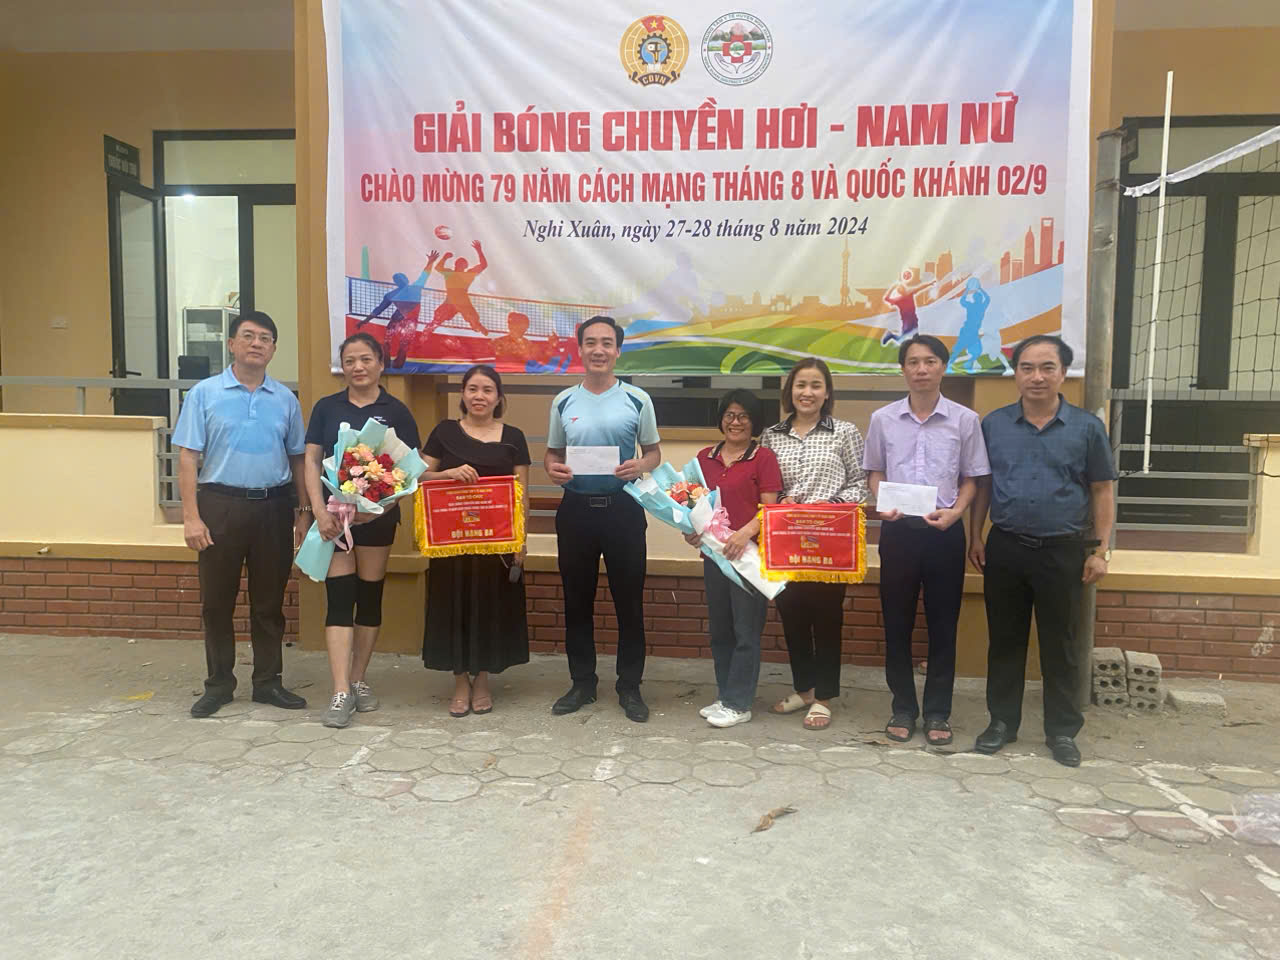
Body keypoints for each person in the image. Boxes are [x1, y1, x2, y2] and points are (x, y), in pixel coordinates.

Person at [968, 334, 1116, 767]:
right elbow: (983, 486)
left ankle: (1062, 731)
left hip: (1065, 551)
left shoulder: (1087, 428)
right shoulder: (994, 425)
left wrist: (1101, 551)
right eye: (1027, 368)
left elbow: (1102, 490)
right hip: (1007, 547)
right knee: (1005, 641)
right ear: (1015, 373)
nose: (1037, 377)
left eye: (1047, 367)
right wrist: (975, 536)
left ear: (1063, 373)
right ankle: (1002, 722)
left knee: (1062, 645)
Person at [174, 311, 311, 718]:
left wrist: (303, 511)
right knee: (217, 602)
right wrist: (191, 516)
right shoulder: (205, 394)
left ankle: (268, 682)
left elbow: (298, 458)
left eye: (265, 338)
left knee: (269, 602)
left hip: (273, 507)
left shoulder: (285, 400)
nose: (256, 343)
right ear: (232, 344)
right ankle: (219, 684)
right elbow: (188, 457)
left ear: (273, 349)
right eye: (248, 336)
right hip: (220, 505)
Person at [863, 335, 990, 746]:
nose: (921, 369)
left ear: (943, 367)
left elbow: (972, 478)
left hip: (944, 532)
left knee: (943, 625)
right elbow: (875, 471)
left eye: (930, 361)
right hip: (898, 532)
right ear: (903, 369)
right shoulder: (883, 419)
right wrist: (883, 502)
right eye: (913, 362)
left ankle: (938, 712)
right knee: (896, 623)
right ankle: (903, 707)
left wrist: (957, 512)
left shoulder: (965, 420)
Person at [545, 316, 661, 723]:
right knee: (577, 602)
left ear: (617, 351)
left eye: (607, 343)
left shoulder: (638, 399)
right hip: (575, 511)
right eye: (591, 342)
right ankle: (582, 683)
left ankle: (630, 686)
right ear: (580, 349)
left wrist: (640, 465)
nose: (599, 350)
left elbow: (653, 452)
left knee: (629, 603)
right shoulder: (563, 401)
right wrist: (552, 469)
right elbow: (553, 454)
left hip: (623, 510)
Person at [303, 332, 420, 728]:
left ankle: (358, 679)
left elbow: (407, 471)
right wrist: (319, 511)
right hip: (334, 521)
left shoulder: (396, 411)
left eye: (366, 359)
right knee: (340, 599)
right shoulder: (326, 407)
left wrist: (379, 509)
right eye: (350, 360)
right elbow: (311, 460)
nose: (358, 367)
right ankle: (339, 691)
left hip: (377, 521)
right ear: (343, 367)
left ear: (380, 364)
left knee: (369, 599)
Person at [761, 357, 868, 730]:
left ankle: (824, 697)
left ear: (827, 393)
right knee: (791, 616)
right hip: (786, 541)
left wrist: (830, 506)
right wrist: (780, 501)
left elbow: (861, 482)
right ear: (790, 391)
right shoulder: (771, 435)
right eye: (801, 385)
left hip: (829, 542)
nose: (807, 392)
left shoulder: (845, 432)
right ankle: (804, 689)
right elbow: (765, 484)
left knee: (826, 618)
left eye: (815, 385)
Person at [421, 364, 531, 717]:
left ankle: (482, 680)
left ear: (498, 398)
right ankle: (459, 682)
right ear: (463, 394)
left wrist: (521, 540)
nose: (479, 396)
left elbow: (522, 492)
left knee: (489, 609)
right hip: (451, 541)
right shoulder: (444, 432)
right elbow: (416, 475)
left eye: (487, 390)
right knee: (452, 607)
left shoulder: (514, 437)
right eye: (472, 389)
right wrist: (447, 474)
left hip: (496, 544)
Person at [683, 390, 782, 728]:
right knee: (720, 630)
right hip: (714, 557)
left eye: (743, 416)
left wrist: (745, 534)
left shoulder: (763, 457)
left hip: (748, 559)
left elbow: (770, 507)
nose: (735, 422)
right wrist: (691, 531)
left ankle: (740, 704)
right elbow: (693, 505)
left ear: (754, 422)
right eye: (729, 415)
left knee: (745, 631)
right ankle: (725, 695)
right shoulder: (704, 457)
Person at [357, 257, 432, 370]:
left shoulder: (391, 294)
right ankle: (396, 364)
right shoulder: (416, 287)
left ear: (396, 282)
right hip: (409, 322)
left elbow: (378, 309)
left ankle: (387, 363)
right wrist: (430, 262)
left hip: (396, 319)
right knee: (403, 344)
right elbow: (425, 274)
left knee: (388, 342)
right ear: (406, 280)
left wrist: (365, 320)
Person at [424, 241, 489, 338]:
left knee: (439, 317)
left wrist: (445, 258)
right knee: (441, 317)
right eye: (459, 264)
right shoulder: (464, 274)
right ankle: (476, 324)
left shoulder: (454, 273)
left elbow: (438, 268)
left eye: (461, 264)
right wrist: (479, 250)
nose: (459, 265)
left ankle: (476, 324)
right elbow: (483, 265)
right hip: (459, 300)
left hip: (454, 300)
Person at [946, 278, 992, 373]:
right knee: (959, 349)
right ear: (978, 299)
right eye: (978, 297)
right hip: (967, 331)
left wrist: (967, 290)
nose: (979, 299)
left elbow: (962, 301)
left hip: (972, 332)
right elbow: (987, 298)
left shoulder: (973, 306)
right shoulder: (980, 306)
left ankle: (967, 365)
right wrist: (980, 289)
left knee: (977, 351)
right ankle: (949, 365)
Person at [881, 270, 935, 345]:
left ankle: (893, 336)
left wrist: (930, 283)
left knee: (916, 337)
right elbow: (886, 298)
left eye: (903, 288)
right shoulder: (898, 300)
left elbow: (920, 287)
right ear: (900, 292)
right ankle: (891, 335)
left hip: (914, 320)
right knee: (903, 340)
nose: (904, 290)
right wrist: (892, 288)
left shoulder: (910, 293)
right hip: (907, 322)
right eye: (901, 289)